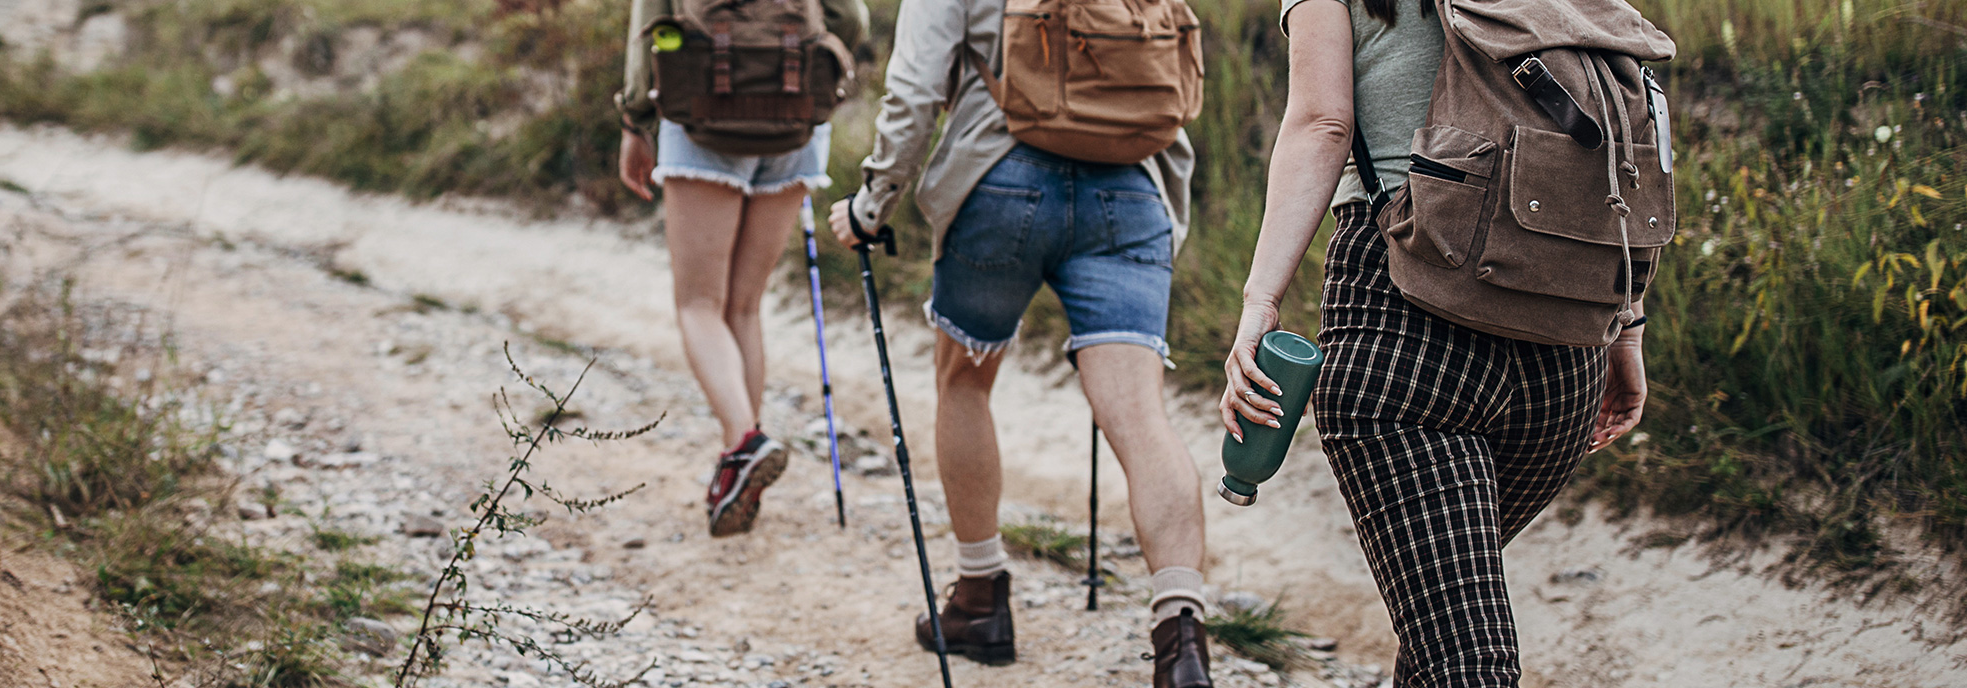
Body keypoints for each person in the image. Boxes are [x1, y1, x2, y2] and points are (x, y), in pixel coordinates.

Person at [1220, 0, 1650, 684]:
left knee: (1459, 650)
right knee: (1445, 622)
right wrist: (1626, 324)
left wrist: (1260, 301)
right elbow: (1622, 135)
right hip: (1565, 347)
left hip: (1402, 335)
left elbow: (1323, 124)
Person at [825, 0, 1222, 682]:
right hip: (1132, 190)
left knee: (964, 380)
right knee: (1139, 415)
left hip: (999, 184)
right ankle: (1181, 634)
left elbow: (916, 90)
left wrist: (872, 205)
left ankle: (980, 600)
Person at [616, 0, 869, 538]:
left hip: (703, 107)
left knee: (698, 303)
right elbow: (852, 18)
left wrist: (636, 121)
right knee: (744, 305)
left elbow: (649, 27)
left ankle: (743, 442)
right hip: (795, 110)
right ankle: (739, 468)